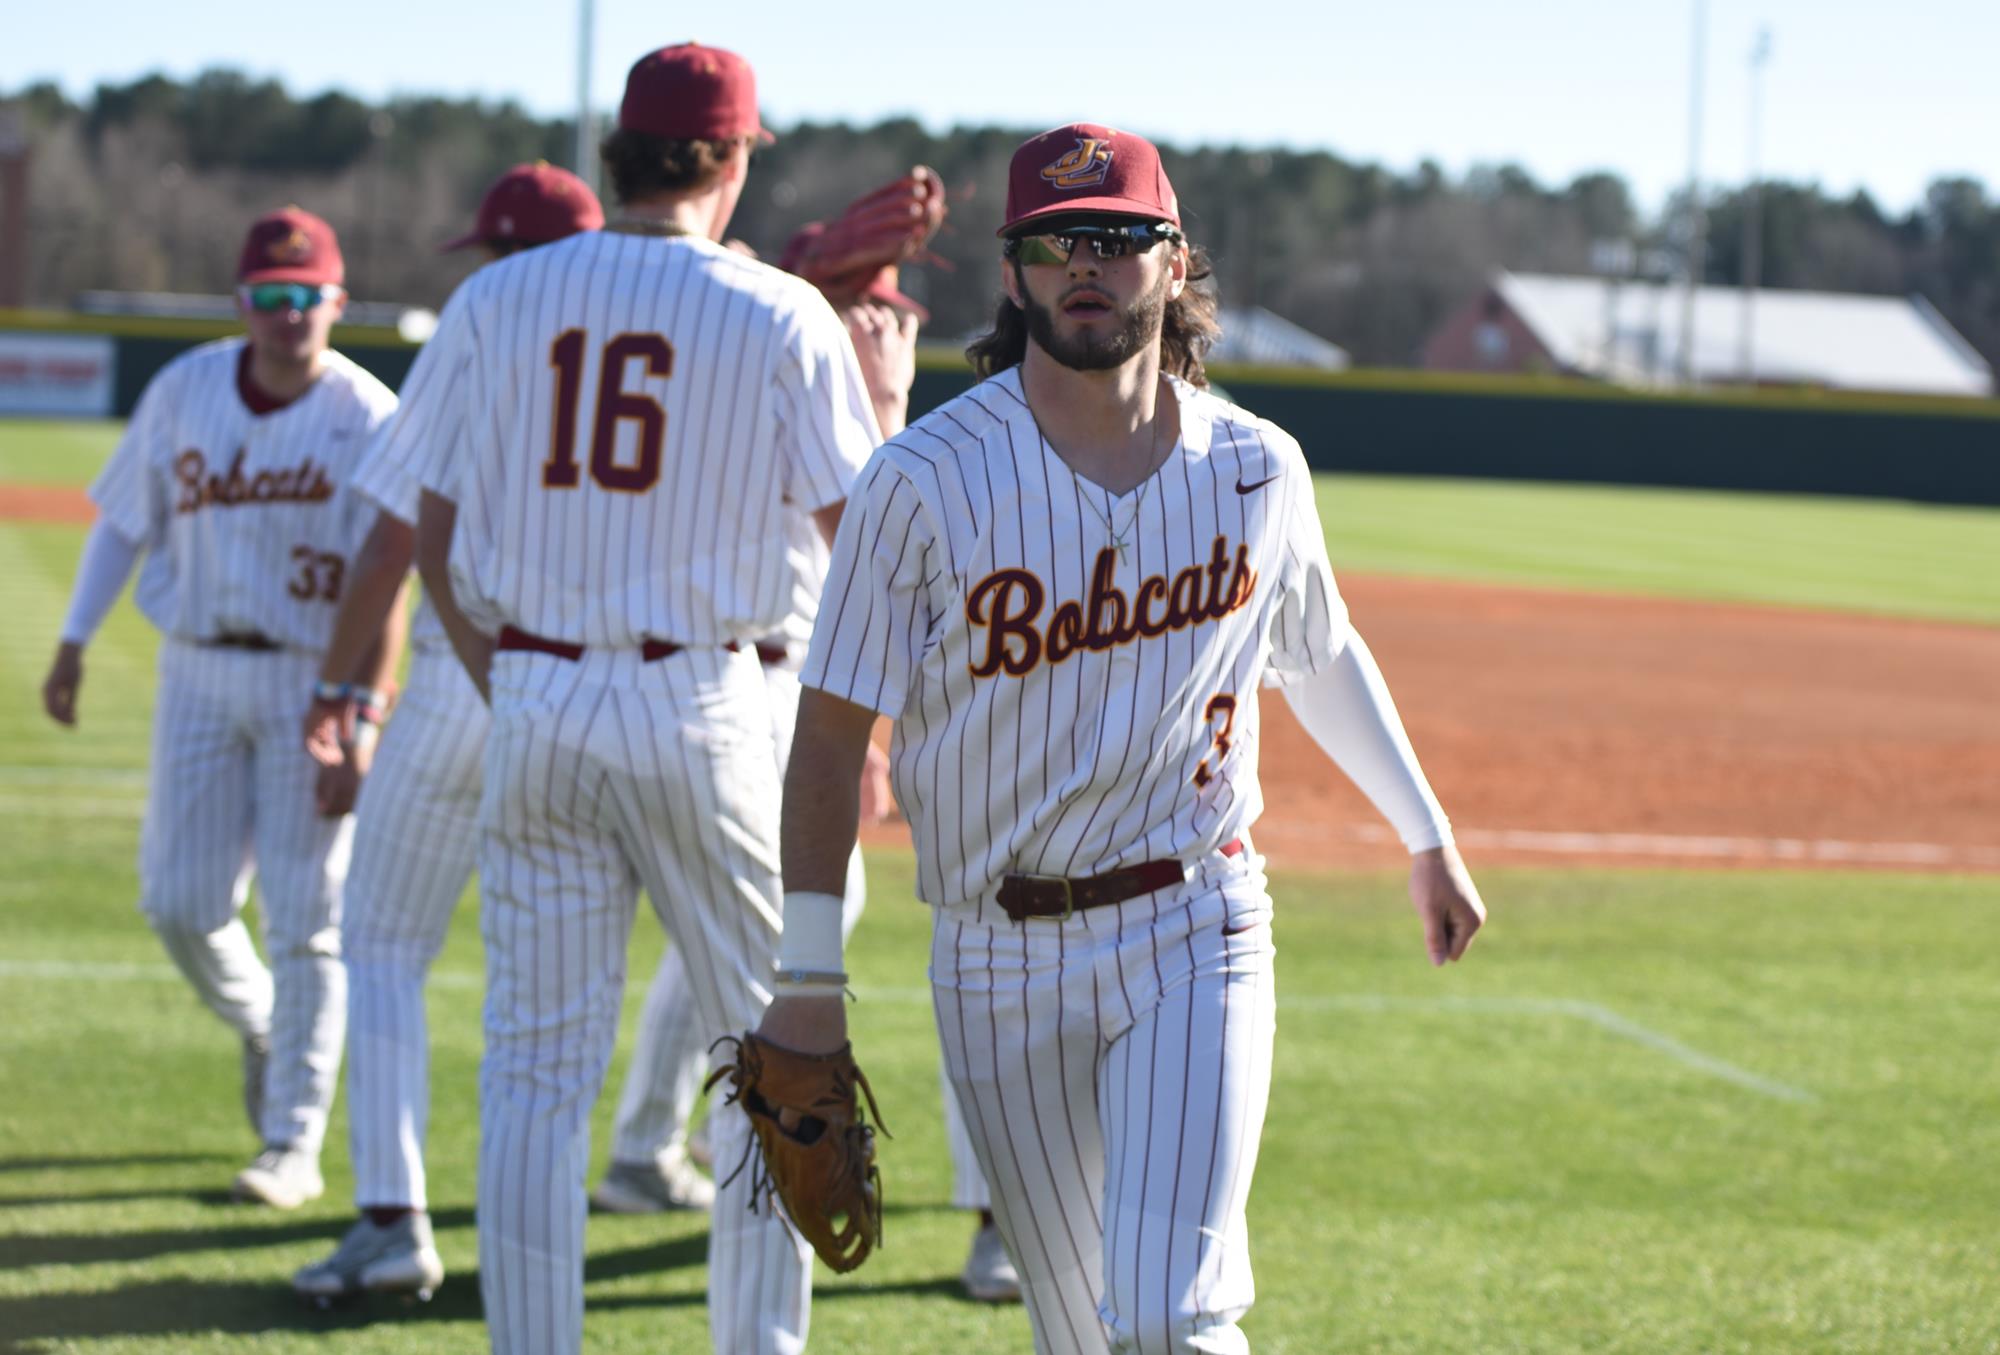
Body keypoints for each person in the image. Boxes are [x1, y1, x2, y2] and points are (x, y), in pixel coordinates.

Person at [763, 122, 1488, 1354]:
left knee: (1171, 1313)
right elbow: (830, 735)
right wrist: (807, 981)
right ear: (1011, 273)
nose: (1083, 266)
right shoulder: (922, 479)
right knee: (1078, 1329)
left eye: (1114, 237)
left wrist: (1425, 832)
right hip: (993, 947)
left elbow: (1317, 651)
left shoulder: (1256, 466)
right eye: (1052, 245)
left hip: (1193, 919)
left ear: (1174, 259)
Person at [403, 44, 879, 1355]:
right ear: (728, 159)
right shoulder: (779, 310)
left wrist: (509, 678)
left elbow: (428, 529)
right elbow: (864, 547)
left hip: (537, 691)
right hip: (703, 700)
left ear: (620, 155)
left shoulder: (499, 295)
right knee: (771, 1060)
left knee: (533, 1073)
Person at [585, 230, 1024, 1302]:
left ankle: (650, 1139)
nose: (887, 326)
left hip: (795, 684)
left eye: (892, 313)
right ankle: (658, 1141)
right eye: (870, 310)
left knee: (766, 924)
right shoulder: (788, 381)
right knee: (843, 929)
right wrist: (883, 400)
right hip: (766, 683)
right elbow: (890, 551)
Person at [40, 206, 400, 1210]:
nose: (289, 313)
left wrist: (362, 715)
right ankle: (267, 1024)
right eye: (270, 296)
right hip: (197, 665)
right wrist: (72, 638)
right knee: (179, 901)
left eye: (307, 295)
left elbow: (390, 577)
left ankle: (292, 1141)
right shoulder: (185, 389)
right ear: (242, 302)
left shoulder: (369, 413)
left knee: (308, 915)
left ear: (338, 300)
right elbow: (124, 519)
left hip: (311, 678)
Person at [289, 161, 605, 1304]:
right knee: (560, 1005)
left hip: (463, 677)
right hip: (606, 690)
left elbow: (395, 540)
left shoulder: (482, 334)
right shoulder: (654, 343)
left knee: (380, 942)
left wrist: (340, 688)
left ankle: (393, 1218)